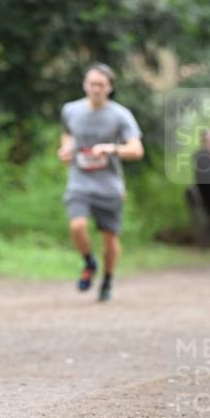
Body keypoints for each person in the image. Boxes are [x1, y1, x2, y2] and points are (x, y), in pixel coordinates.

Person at [57, 63, 144, 301]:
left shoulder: (120, 115)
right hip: (79, 182)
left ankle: (107, 279)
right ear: (84, 85)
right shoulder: (70, 110)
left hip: (109, 186)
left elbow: (137, 150)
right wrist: (66, 149)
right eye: (91, 84)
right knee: (77, 226)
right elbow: (67, 134)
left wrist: (111, 149)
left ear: (110, 88)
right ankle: (89, 262)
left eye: (101, 85)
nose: (95, 89)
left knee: (110, 239)